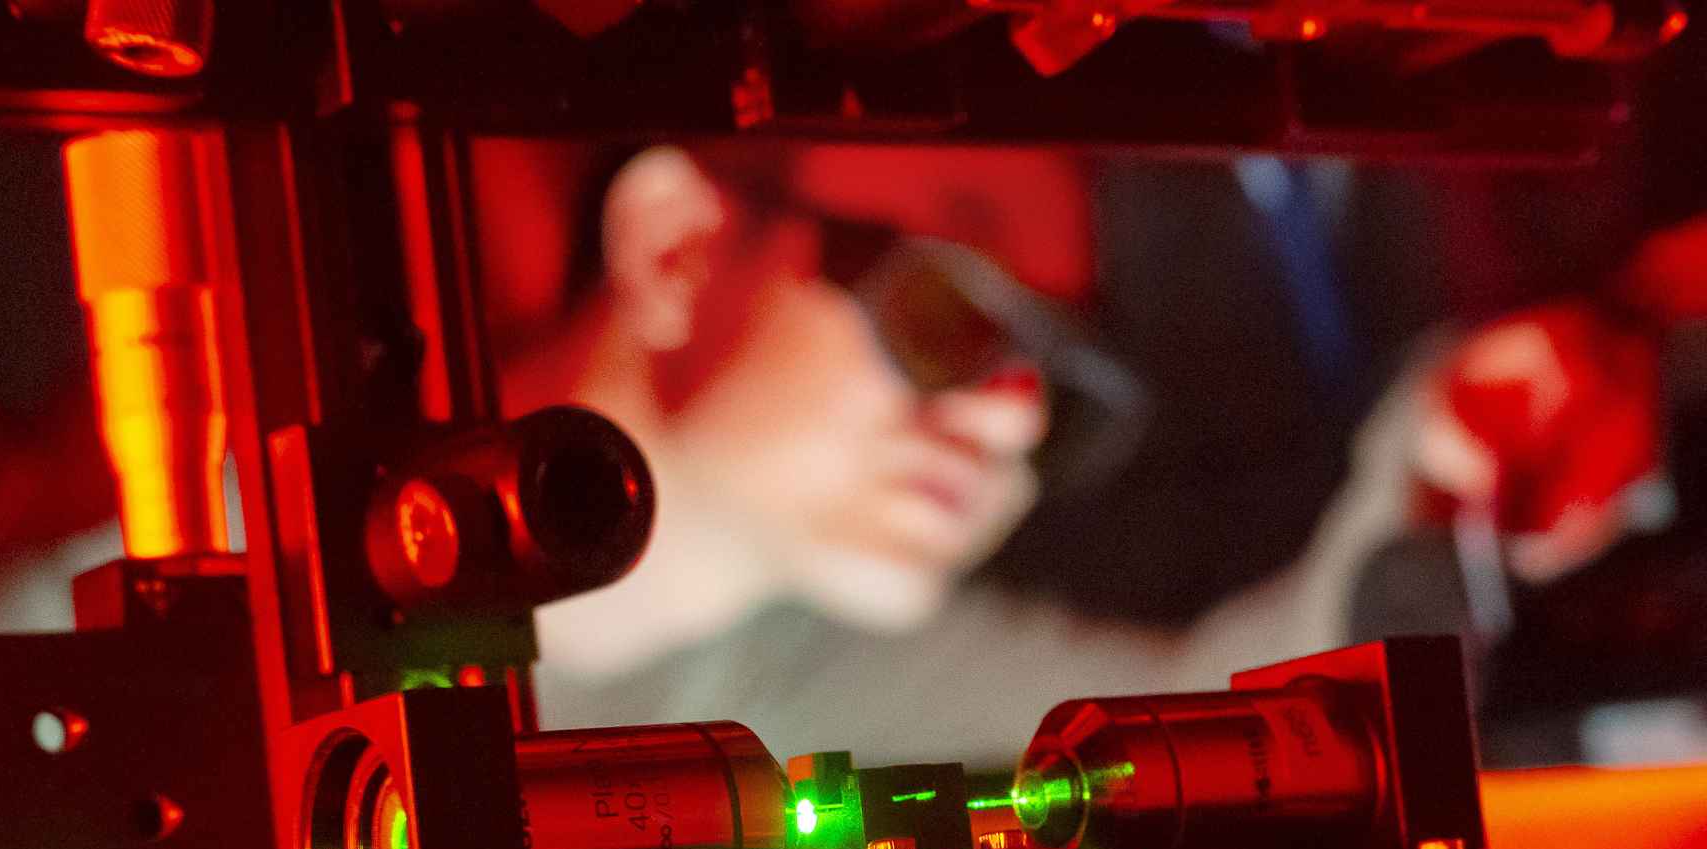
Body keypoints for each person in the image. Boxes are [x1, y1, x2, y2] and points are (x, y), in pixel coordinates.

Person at [479, 140, 1412, 768]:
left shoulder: (799, 678)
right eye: (949, 311)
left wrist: (1431, 460)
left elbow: (1214, 711)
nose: (1014, 425)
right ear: (677, 248)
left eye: (1067, 394)